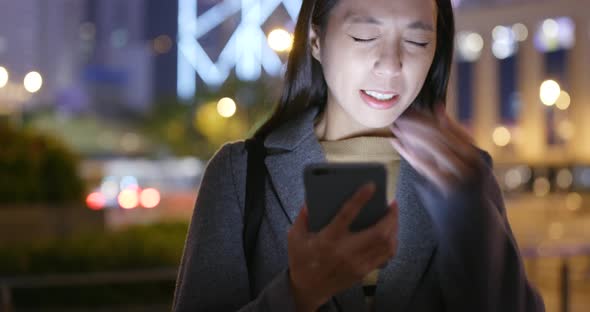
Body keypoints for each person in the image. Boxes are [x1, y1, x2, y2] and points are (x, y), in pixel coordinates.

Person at [172, 0, 545, 311]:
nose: (391, 65)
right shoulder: (240, 175)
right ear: (316, 40)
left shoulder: (463, 175)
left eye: (417, 41)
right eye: (364, 35)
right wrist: (297, 293)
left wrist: (470, 216)